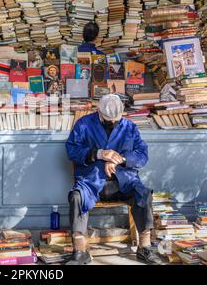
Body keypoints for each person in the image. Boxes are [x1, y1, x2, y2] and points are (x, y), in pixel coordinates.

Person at [65, 94, 162, 265]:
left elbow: (142, 155)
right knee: (76, 197)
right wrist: (99, 154)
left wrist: (120, 160)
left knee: (144, 194)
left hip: (124, 182)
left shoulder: (130, 127)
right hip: (91, 182)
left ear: (122, 114)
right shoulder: (84, 124)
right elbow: (72, 150)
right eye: (107, 119)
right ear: (98, 111)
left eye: (115, 120)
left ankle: (144, 248)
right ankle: (80, 252)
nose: (111, 122)